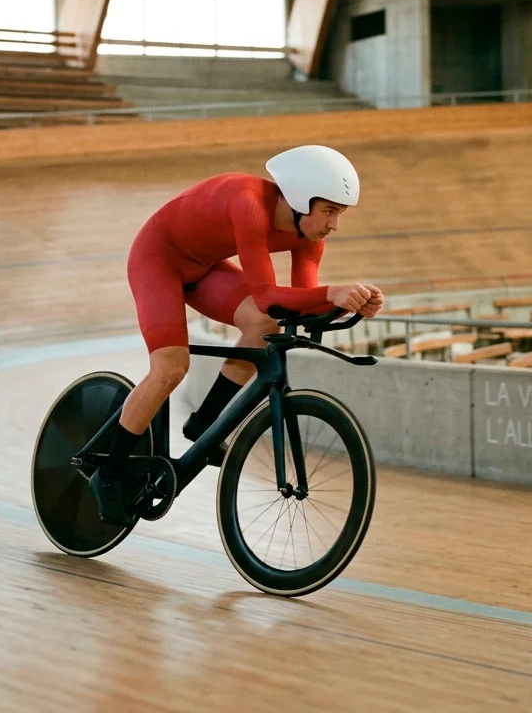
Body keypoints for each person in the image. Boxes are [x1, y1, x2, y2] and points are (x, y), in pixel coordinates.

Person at [89, 144, 385, 525]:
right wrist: (333, 293)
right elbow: (266, 295)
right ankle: (108, 475)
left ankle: (205, 423)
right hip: (158, 258)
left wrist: (350, 303)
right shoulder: (249, 203)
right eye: (329, 211)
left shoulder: (310, 236)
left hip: (204, 267)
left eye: (339, 214)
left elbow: (294, 305)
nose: (334, 225)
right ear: (298, 199)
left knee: (264, 326)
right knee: (170, 368)